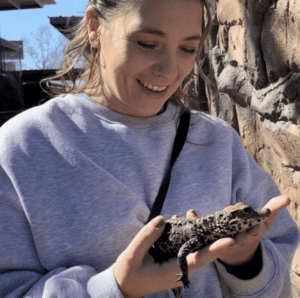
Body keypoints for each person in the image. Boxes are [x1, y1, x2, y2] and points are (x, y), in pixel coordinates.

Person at [0, 0, 298, 297]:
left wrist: (246, 262)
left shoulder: (218, 140)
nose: (169, 71)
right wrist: (116, 288)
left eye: (188, 49)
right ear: (94, 28)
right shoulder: (21, 147)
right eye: (147, 43)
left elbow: (279, 268)